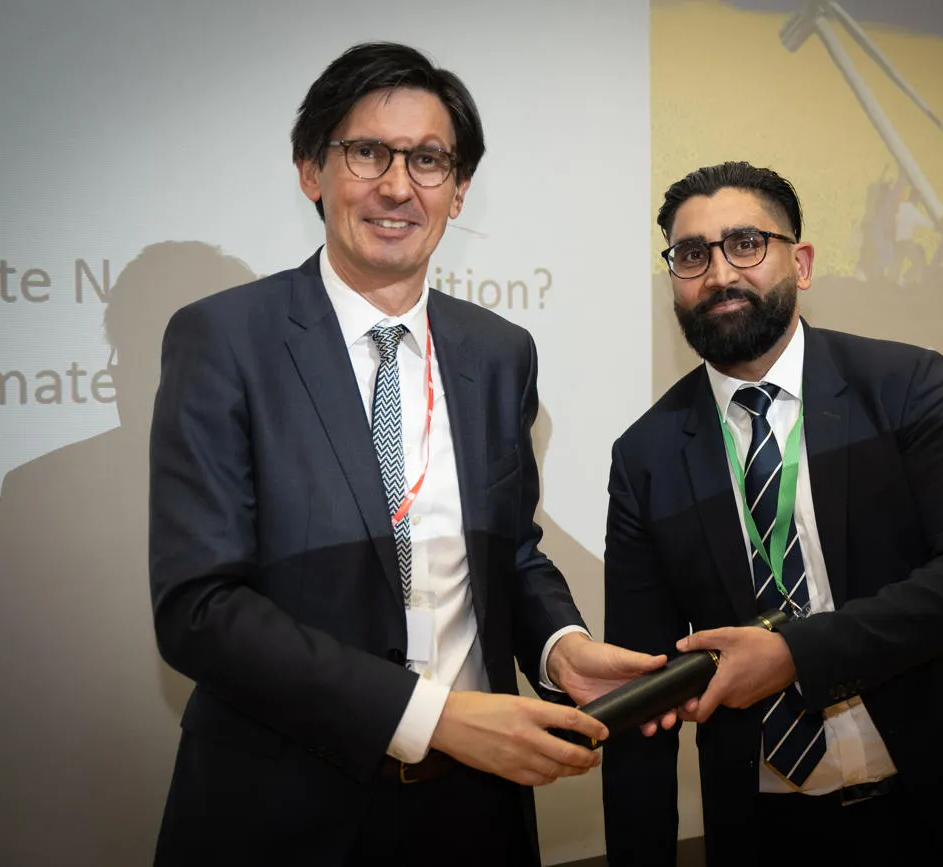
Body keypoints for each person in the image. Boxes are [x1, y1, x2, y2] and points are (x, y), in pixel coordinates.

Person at [148, 42, 664, 867]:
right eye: (367, 153)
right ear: (312, 171)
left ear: (458, 191)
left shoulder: (498, 351)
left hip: (475, 811)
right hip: (285, 809)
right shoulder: (223, 338)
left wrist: (562, 647)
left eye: (428, 160)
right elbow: (200, 609)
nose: (398, 186)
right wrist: (431, 715)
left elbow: (509, 550)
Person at [601, 161, 943, 866]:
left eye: (746, 243)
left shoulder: (902, 385)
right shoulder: (645, 456)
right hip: (769, 830)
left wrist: (797, 655)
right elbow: (645, 691)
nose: (719, 274)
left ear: (799, 263)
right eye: (692, 255)